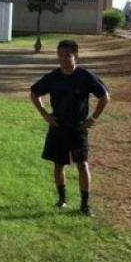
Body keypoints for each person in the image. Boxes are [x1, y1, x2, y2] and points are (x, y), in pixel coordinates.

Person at [30, 39, 110, 217]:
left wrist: (93, 118)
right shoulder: (53, 77)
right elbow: (34, 93)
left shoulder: (85, 77)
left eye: (68, 55)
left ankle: (84, 205)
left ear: (76, 56)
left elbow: (105, 97)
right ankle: (62, 199)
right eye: (60, 55)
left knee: (82, 165)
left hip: (78, 129)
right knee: (59, 165)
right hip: (58, 127)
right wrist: (45, 115)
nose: (64, 59)